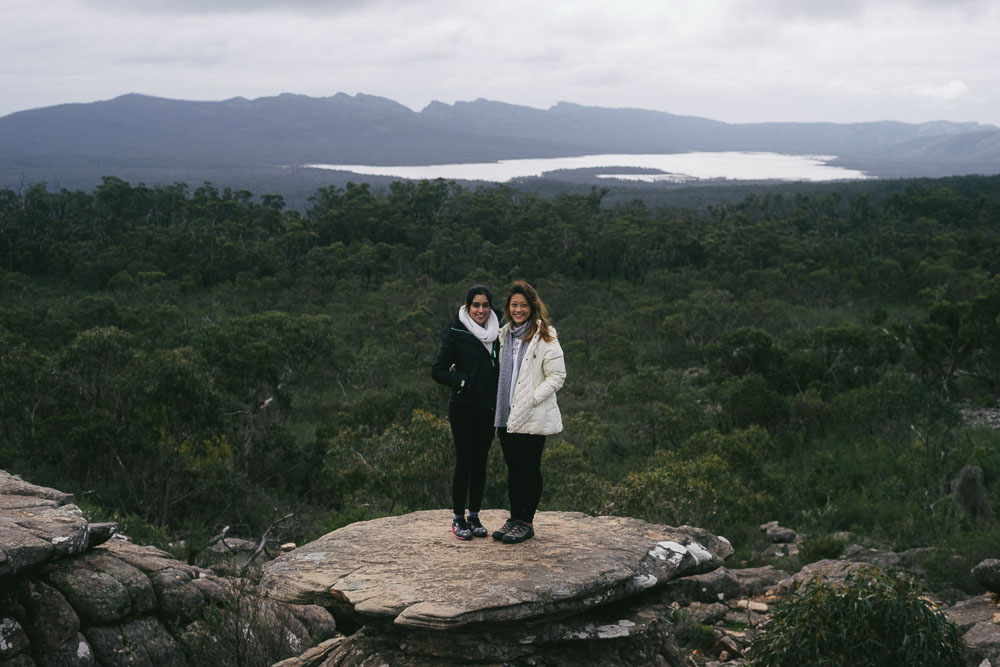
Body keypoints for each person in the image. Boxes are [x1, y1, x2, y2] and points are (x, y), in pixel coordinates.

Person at [492, 280, 566, 544]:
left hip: (532, 413)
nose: (518, 309)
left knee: (530, 468)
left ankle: (526, 521)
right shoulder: (504, 335)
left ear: (532, 307)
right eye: (514, 305)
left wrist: (531, 398)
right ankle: (514, 518)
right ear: (508, 307)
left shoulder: (545, 336)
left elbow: (557, 376)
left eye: (523, 305)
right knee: (513, 469)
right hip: (507, 413)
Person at [431, 285, 500, 540]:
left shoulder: (500, 327)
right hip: (463, 407)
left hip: (488, 407)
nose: (481, 310)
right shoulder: (456, 332)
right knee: (464, 461)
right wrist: (464, 381)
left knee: (481, 463)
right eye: (476, 306)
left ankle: (475, 515)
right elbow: (437, 371)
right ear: (467, 306)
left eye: (485, 305)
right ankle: (458, 518)